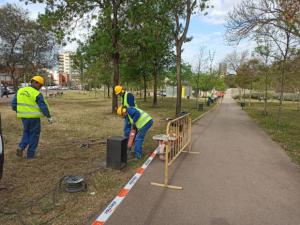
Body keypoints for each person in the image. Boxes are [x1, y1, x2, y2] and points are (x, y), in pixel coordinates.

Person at [11, 75, 52, 159]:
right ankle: (30, 155)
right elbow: (43, 106)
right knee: (34, 135)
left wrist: (20, 111)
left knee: (26, 132)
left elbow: (14, 104)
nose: (40, 87)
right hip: (34, 118)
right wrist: (49, 116)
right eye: (40, 85)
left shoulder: (20, 90)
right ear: (35, 82)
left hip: (23, 117)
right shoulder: (36, 93)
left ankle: (21, 147)